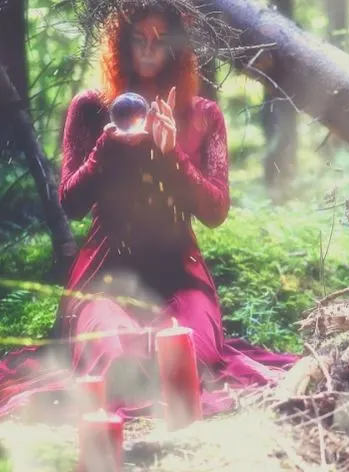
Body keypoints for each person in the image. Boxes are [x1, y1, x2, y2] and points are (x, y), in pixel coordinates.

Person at [0, 1, 298, 422]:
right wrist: (104, 152)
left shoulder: (202, 114)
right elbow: (70, 202)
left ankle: (167, 390)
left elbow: (215, 211)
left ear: (176, 48)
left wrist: (171, 154)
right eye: (138, 39)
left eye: (159, 41)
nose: (148, 50)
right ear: (121, 45)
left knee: (188, 354)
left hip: (180, 273)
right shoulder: (90, 108)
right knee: (114, 353)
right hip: (103, 277)